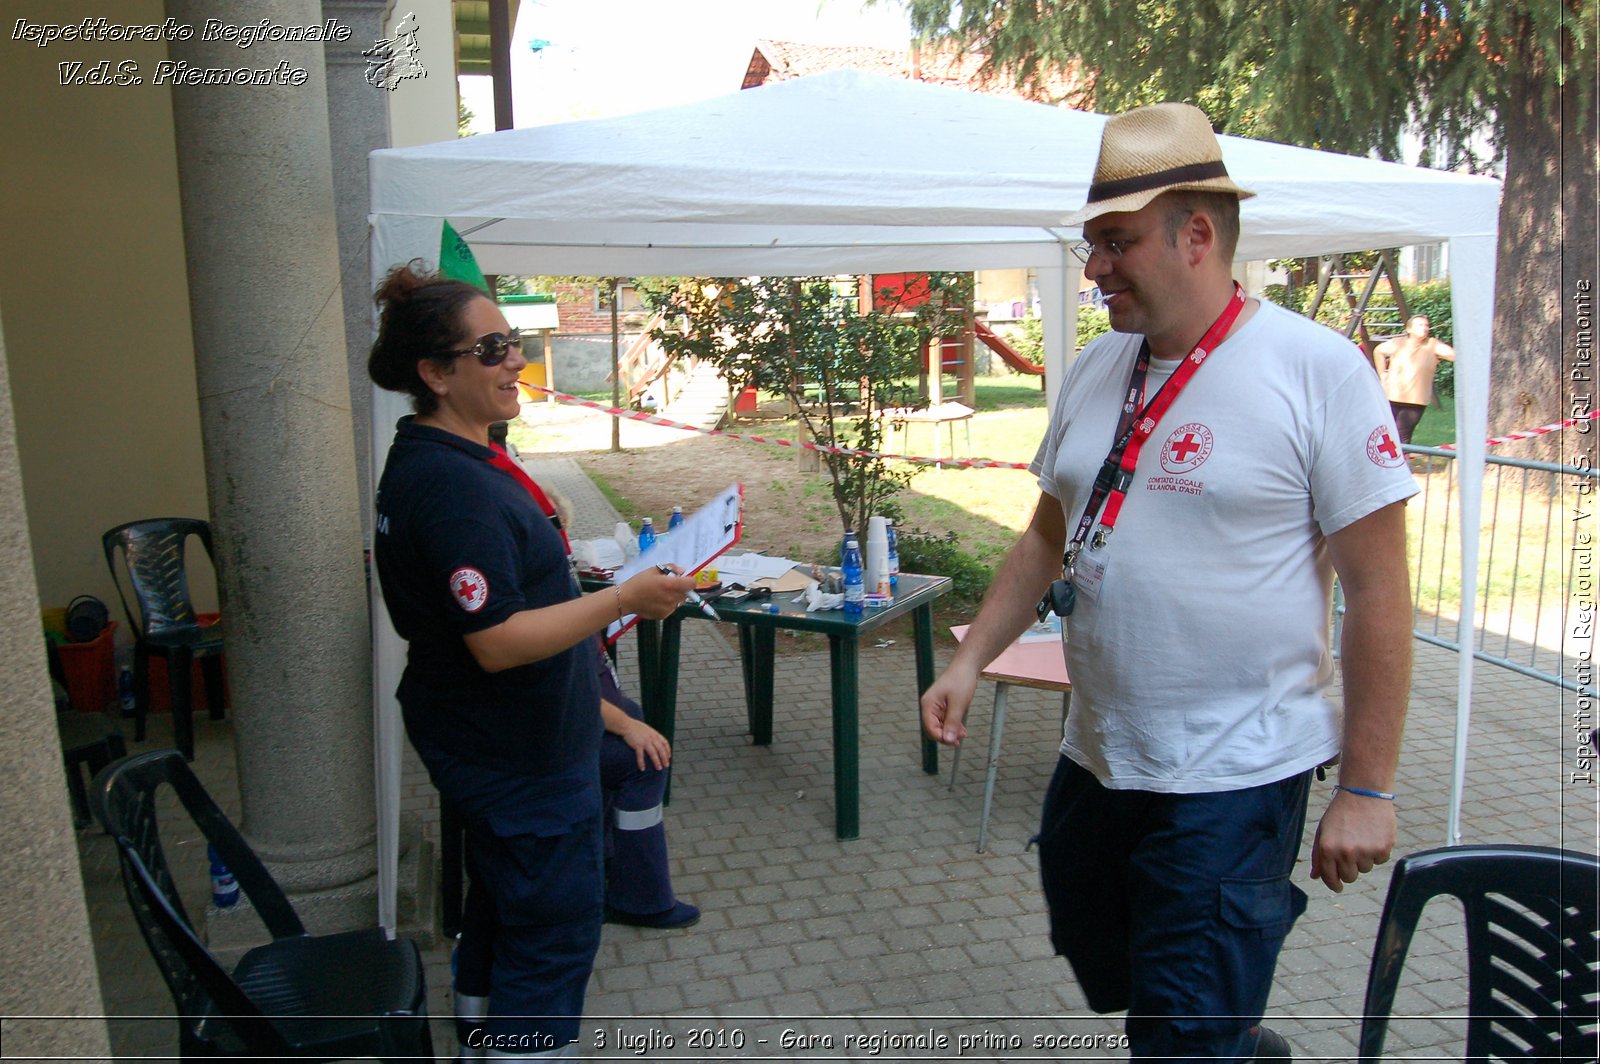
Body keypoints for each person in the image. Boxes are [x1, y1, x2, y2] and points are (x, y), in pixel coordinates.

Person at [921, 103, 1418, 1061]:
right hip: (1099, 757)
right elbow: (1046, 535)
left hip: (1235, 773)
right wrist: (970, 660)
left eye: (1115, 242)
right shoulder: (1098, 367)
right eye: (1090, 242)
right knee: (1104, 947)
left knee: (1179, 1031)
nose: (1094, 266)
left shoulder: (1317, 371)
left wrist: (1368, 787)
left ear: (1197, 234)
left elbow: (1381, 596)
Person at [368, 262, 695, 1061]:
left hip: (506, 734)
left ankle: (480, 1033)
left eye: (513, 342)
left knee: (505, 901)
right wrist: (621, 601)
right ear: (437, 373)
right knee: (553, 931)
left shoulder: (460, 457)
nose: (517, 360)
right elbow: (498, 639)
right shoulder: (452, 489)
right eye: (493, 349)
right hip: (510, 745)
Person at [1374, 314, 1456, 443]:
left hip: (1415, 401)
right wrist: (1382, 374)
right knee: (1384, 433)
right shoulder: (1398, 343)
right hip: (1391, 396)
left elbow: (1453, 355)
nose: (1424, 328)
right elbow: (1378, 351)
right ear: (1409, 329)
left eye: (1427, 325)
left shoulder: (1432, 344)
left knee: (1402, 436)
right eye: (1420, 325)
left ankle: (1401, 461)